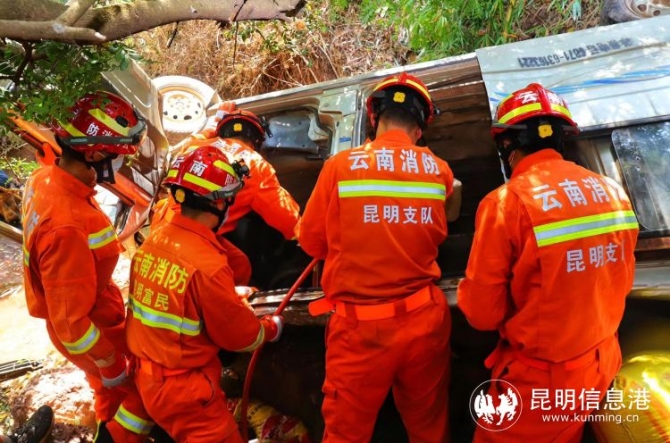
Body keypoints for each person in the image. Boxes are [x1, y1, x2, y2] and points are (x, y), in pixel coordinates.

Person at [457, 83, 639, 442]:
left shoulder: (506, 202)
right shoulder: (612, 190)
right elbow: (621, 277)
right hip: (602, 362)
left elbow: (482, 314)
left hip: (545, 381)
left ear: (507, 145)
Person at [299, 72, 462, 443]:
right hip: (424, 321)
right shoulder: (438, 169)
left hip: (360, 332)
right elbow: (448, 215)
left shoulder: (339, 167)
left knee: (346, 433)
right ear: (419, 129)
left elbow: (310, 242)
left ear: (374, 119)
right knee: (428, 425)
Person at [125, 144, 284, 442]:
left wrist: (229, 294)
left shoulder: (155, 240)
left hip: (145, 375)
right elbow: (239, 336)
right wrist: (269, 328)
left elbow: (177, 299)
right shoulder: (208, 264)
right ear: (219, 203)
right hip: (184, 390)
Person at [21, 91, 156, 442]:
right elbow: (71, 323)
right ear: (94, 154)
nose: (122, 163)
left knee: (107, 392)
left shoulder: (44, 179)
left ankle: (106, 426)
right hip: (90, 328)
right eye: (119, 155)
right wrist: (110, 362)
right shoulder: (68, 225)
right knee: (145, 394)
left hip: (84, 309)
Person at [151, 104, 301, 286]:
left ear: (221, 131)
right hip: (197, 240)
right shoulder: (256, 165)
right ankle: (233, 293)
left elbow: (202, 134)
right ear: (256, 140)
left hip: (162, 225)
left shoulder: (195, 145)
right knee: (239, 269)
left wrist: (218, 116)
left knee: (238, 260)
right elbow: (289, 222)